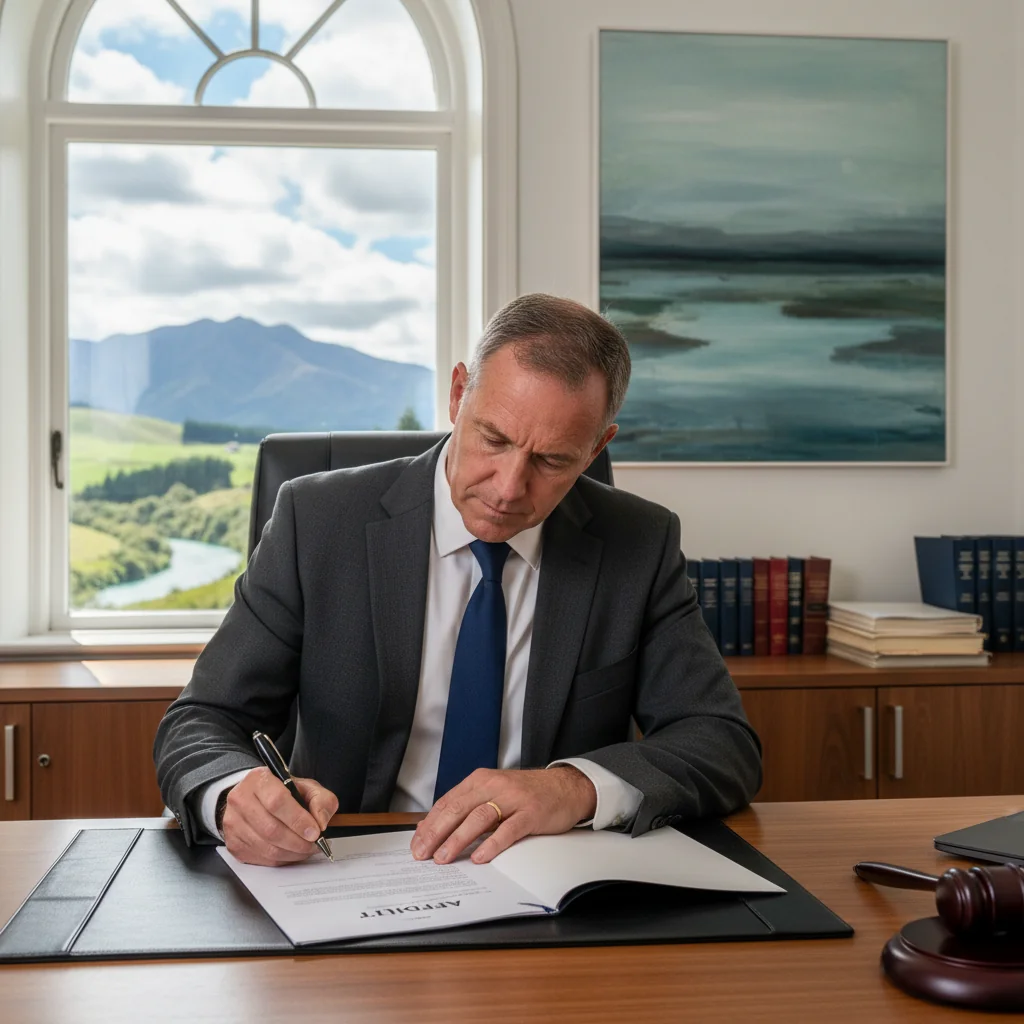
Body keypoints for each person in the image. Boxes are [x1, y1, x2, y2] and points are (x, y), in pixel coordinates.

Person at [154, 293, 761, 868]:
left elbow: (721, 743)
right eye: (493, 439)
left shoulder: (640, 545)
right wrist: (232, 795)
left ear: (597, 445)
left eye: (552, 461)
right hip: (347, 868)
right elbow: (201, 720)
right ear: (457, 395)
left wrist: (573, 787)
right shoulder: (316, 523)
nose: (507, 488)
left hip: (544, 876)